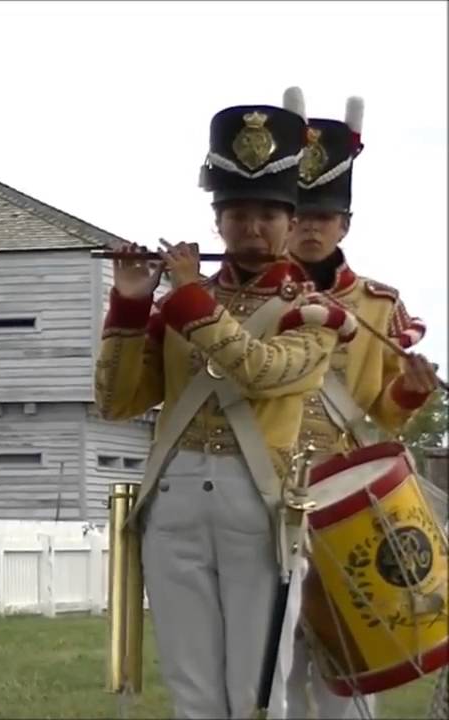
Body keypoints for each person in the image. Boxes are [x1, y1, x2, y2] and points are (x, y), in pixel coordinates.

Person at [94, 97, 361, 719]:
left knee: (256, 690)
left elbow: (262, 371)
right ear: (217, 219)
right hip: (175, 495)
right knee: (192, 692)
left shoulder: (315, 313)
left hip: (259, 499)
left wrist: (185, 294)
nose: (252, 227)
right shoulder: (182, 301)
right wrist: (130, 303)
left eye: (268, 213)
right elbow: (116, 401)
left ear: (291, 221)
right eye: (237, 211)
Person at [281, 92, 439, 720]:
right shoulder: (248, 297)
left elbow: (384, 412)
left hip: (344, 497)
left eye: (324, 216)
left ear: (344, 225)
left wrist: (411, 392)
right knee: (274, 659)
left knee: (352, 654)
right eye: (300, 214)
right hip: (264, 489)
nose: (311, 227)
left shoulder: (378, 307)